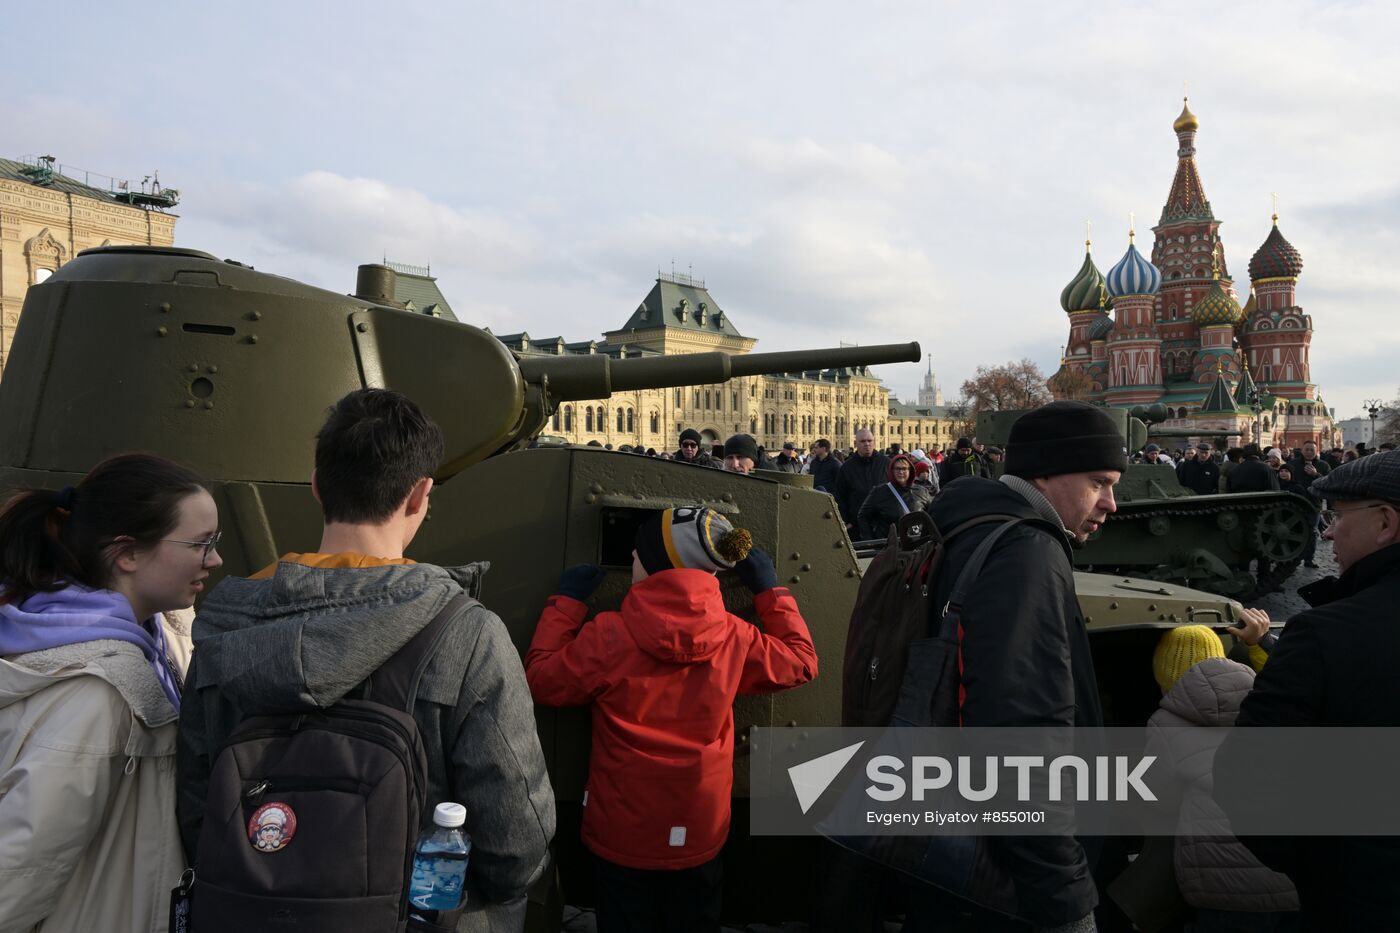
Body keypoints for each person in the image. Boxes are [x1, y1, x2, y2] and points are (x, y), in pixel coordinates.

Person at [176, 388, 554, 931]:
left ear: (316, 486)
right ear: (420, 494)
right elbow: (516, 839)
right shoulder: (467, 634)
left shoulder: (220, 626)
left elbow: (196, 804)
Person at [525, 507, 817, 933]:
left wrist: (566, 605)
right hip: (700, 828)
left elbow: (542, 679)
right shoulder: (734, 636)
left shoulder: (609, 634)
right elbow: (801, 663)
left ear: (655, 565)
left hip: (621, 832)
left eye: (639, 553)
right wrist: (769, 590)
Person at [902, 400, 1124, 932]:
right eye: (1098, 482)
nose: (1111, 503)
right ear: (1045, 472)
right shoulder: (1026, 550)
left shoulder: (968, 521)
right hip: (1004, 871)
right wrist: (1064, 897)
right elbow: (1022, 734)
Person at [0, 453, 220, 932]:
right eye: (201, 544)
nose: (216, 560)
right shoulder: (97, 695)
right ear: (127, 553)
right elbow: (16, 875)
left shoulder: (163, 633)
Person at [1215, 450, 1400, 928]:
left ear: (1385, 523)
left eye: (1337, 515)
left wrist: (1328, 868)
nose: (1327, 531)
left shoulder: (1329, 635)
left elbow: (1249, 781)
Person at [1130, 625, 1299, 931]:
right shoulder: (1267, 698)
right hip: (1289, 869)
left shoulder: (1165, 724)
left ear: (1164, 677)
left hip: (1222, 887)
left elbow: (1158, 797)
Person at [856, 453, 932, 540]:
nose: (900, 472)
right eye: (897, 469)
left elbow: (932, 514)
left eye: (904, 468)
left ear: (910, 470)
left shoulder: (921, 491)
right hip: (891, 545)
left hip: (917, 544)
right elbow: (863, 517)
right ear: (891, 470)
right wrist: (871, 541)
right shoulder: (879, 492)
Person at [834, 429, 890, 532]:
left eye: (869, 441)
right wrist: (847, 522)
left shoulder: (886, 463)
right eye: (863, 441)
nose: (867, 444)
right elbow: (840, 497)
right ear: (856, 444)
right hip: (857, 525)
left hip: (884, 523)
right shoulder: (847, 468)